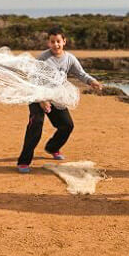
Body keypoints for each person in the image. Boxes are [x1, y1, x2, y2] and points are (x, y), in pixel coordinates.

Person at [16, 26, 102, 173]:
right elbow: (33, 80)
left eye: (58, 41)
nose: (56, 44)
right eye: (52, 42)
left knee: (67, 125)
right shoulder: (43, 58)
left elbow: (81, 74)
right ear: (48, 43)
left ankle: (52, 147)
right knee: (36, 125)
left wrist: (92, 81)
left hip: (56, 96)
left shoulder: (69, 58)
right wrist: (42, 100)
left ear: (64, 42)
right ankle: (23, 161)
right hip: (38, 96)